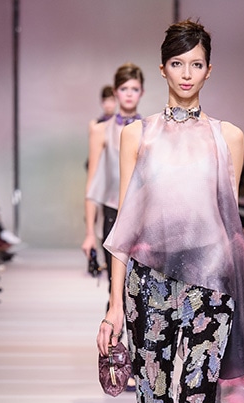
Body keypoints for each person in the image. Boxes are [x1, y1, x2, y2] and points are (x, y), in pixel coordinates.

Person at [96, 20, 244, 403]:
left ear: (208, 70)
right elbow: (124, 226)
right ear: (163, 68)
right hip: (149, 288)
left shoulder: (229, 137)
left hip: (210, 291)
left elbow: (227, 228)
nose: (187, 73)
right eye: (177, 64)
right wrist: (113, 306)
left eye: (196, 64)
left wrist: (236, 298)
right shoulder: (137, 135)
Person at [81, 63, 144, 277]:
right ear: (116, 92)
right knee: (114, 284)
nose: (129, 94)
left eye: (134, 89)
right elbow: (92, 183)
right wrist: (90, 233)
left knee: (140, 285)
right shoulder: (101, 131)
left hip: (142, 216)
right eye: (124, 89)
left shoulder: (149, 130)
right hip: (112, 213)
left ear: (142, 92)